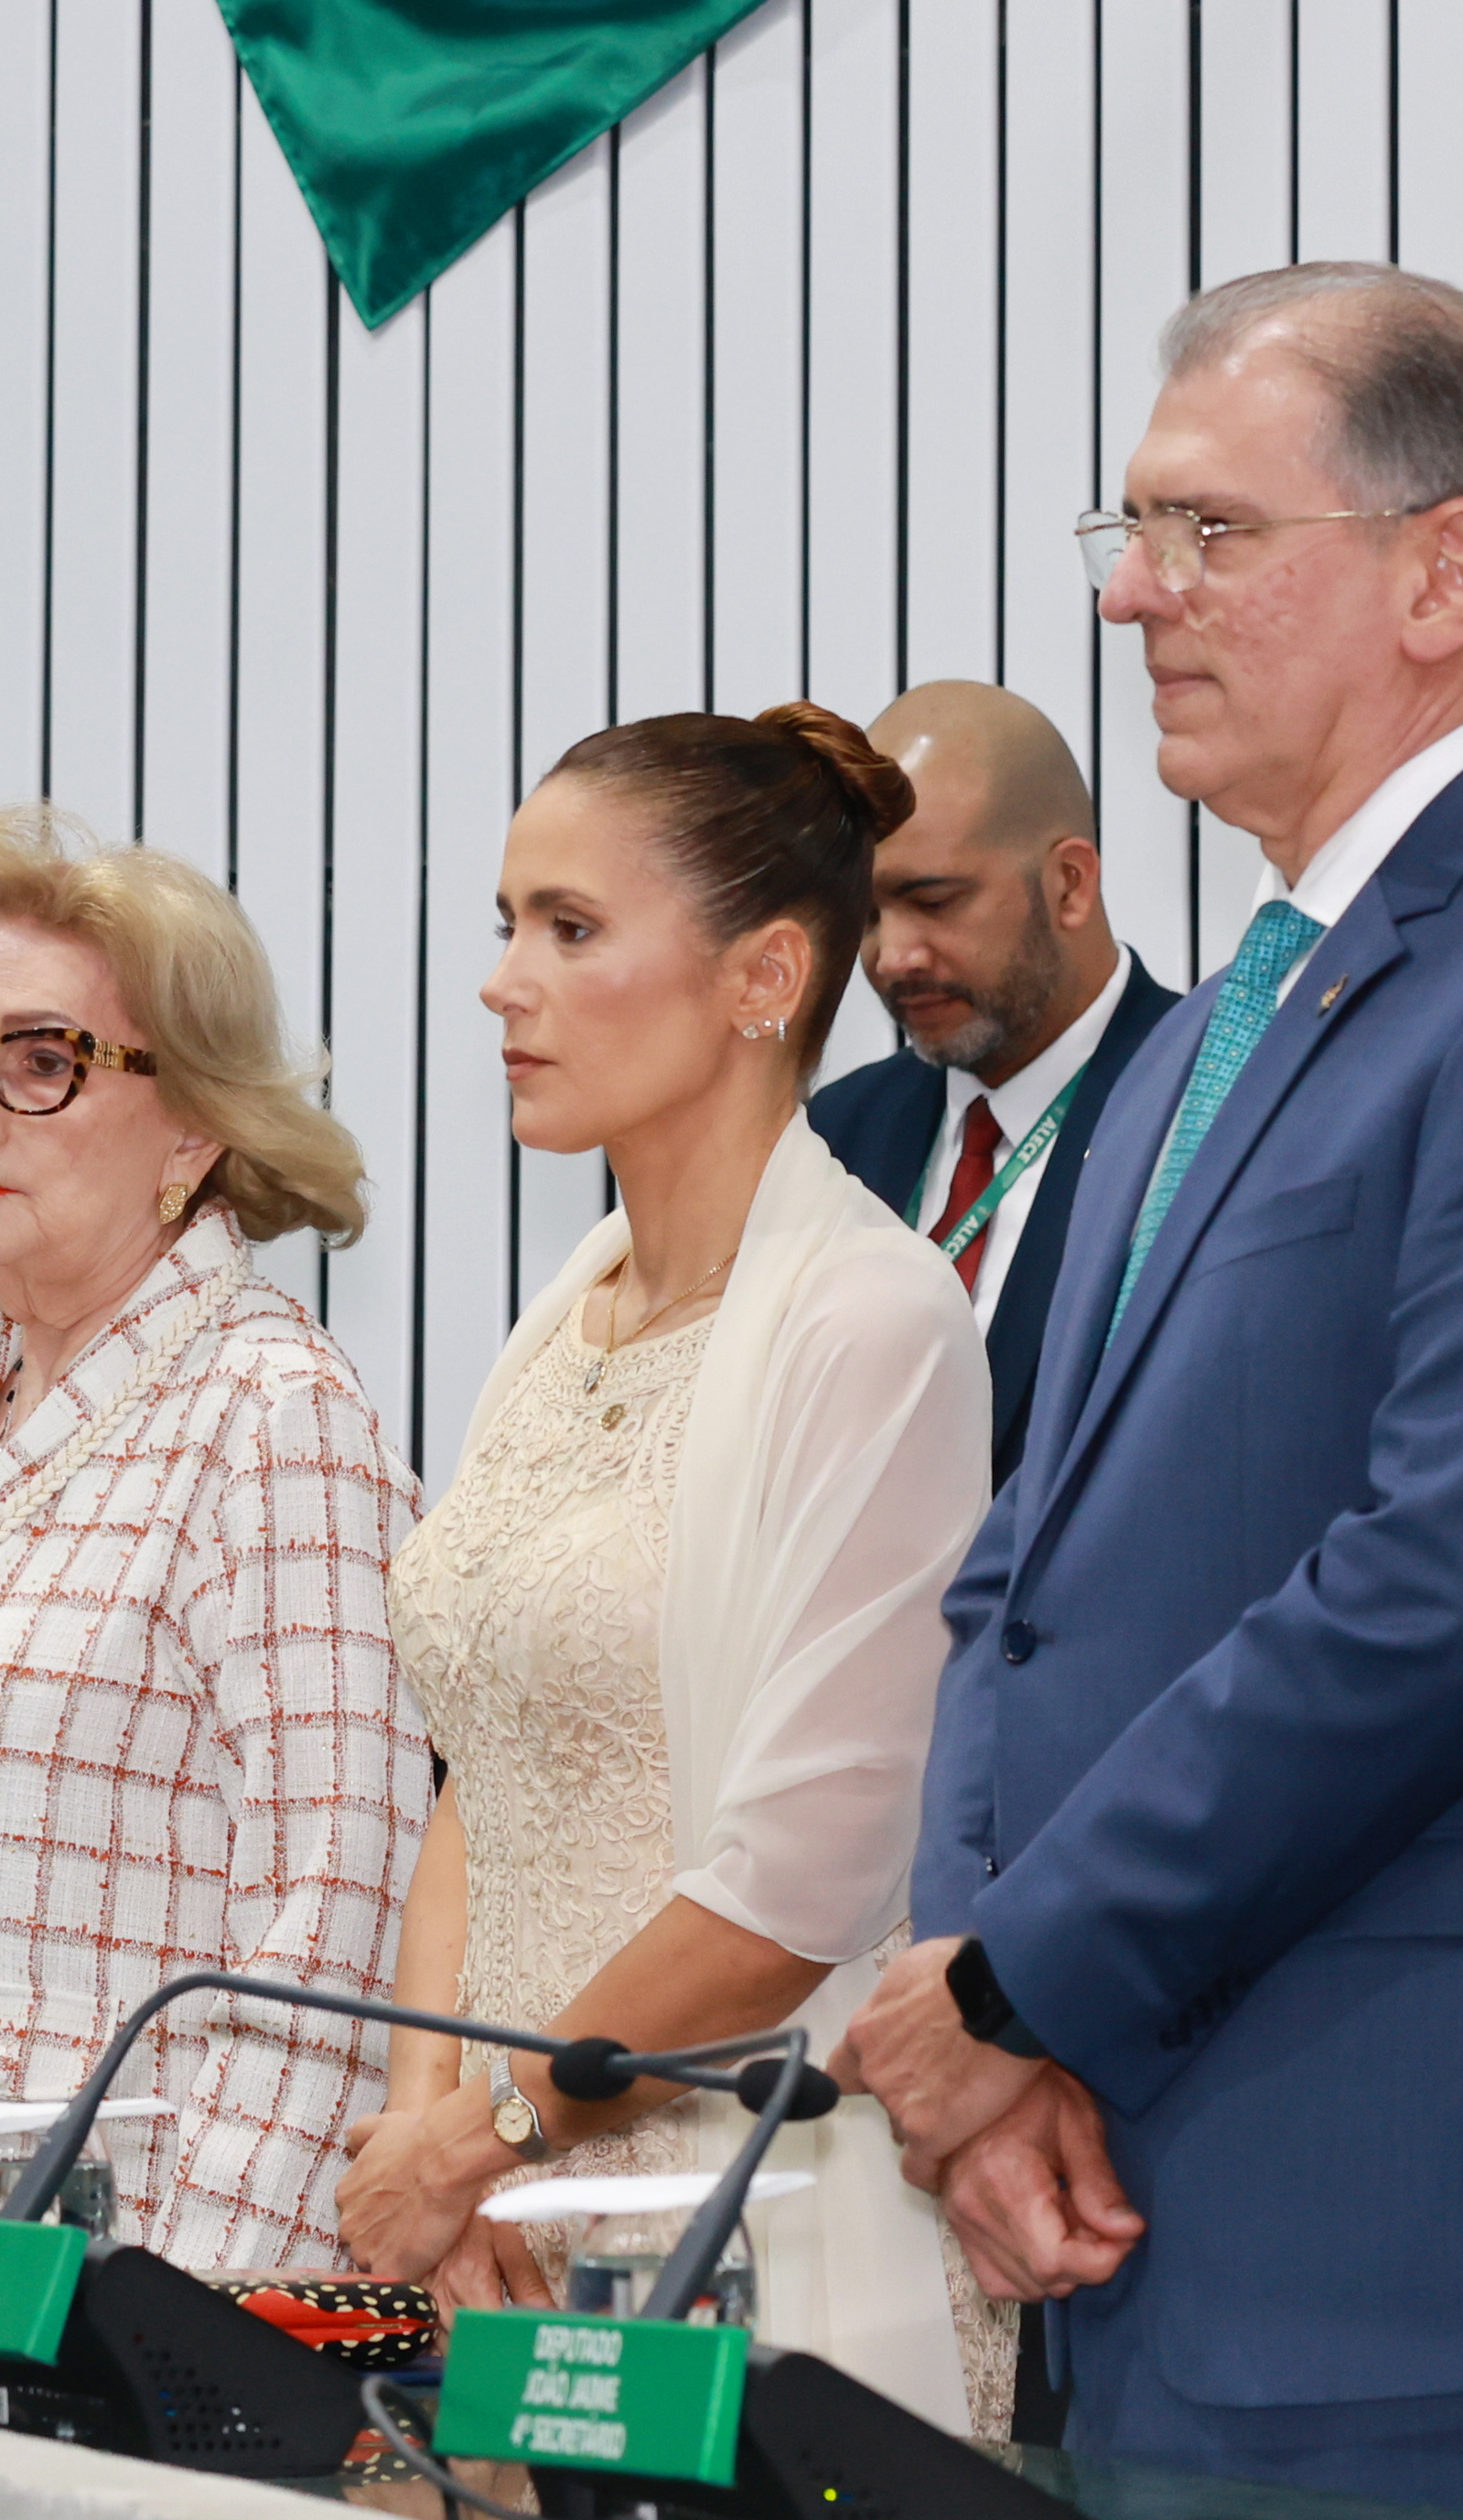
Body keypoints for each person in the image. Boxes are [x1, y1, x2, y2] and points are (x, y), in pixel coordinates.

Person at [850, 266, 1463, 2520]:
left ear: (1446, 573)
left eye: (1205, 532)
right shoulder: (1208, 1030)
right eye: (1130, 529)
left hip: (1438, 2244)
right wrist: (983, 2028)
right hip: (1144, 2197)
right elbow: (1026, 1576)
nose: (1129, 595)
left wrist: (1013, 1984)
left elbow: (1451, 1588)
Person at [342, 705, 996, 2426]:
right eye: (505, 925)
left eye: (569, 928)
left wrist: (493, 2134)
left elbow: (802, 1884)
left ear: (765, 977)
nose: (504, 980)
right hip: (509, 2209)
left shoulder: (873, 1327)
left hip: (745, 2204)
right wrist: (437, 2136)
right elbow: (478, 1768)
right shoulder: (564, 1319)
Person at [0, 809, 419, 2309]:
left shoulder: (270, 1412)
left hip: (114, 2307)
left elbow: (330, 1934)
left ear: (194, 1121)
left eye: (43, 1059)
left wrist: (190, 2349)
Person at [801, 682, 1178, 1462]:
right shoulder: (831, 1137)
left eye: (933, 901)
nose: (890, 957)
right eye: (864, 916)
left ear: (1069, 885)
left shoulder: (1208, 1099)